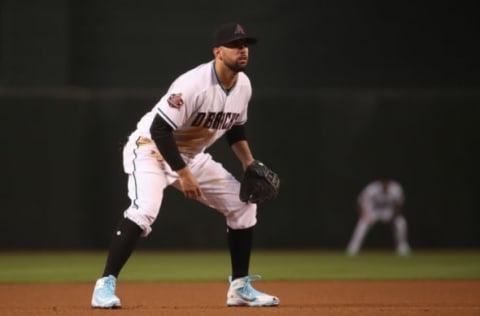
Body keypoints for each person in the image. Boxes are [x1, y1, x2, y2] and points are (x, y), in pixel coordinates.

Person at [90, 22, 280, 308]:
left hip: (191, 156)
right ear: (218, 52)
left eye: (246, 46)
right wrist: (184, 174)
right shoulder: (193, 84)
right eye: (236, 45)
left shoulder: (244, 86)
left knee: (243, 205)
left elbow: (235, 129)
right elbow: (159, 130)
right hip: (150, 150)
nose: (243, 51)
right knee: (144, 211)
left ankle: (240, 287)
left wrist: (248, 163)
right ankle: (104, 286)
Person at [346, 178, 411, 256]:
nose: (385, 185)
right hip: (373, 212)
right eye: (383, 183)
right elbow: (359, 202)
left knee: (401, 222)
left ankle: (402, 247)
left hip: (389, 212)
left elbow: (399, 204)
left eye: (387, 183)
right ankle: (353, 248)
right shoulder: (371, 188)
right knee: (362, 223)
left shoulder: (396, 188)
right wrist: (363, 215)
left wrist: (394, 216)